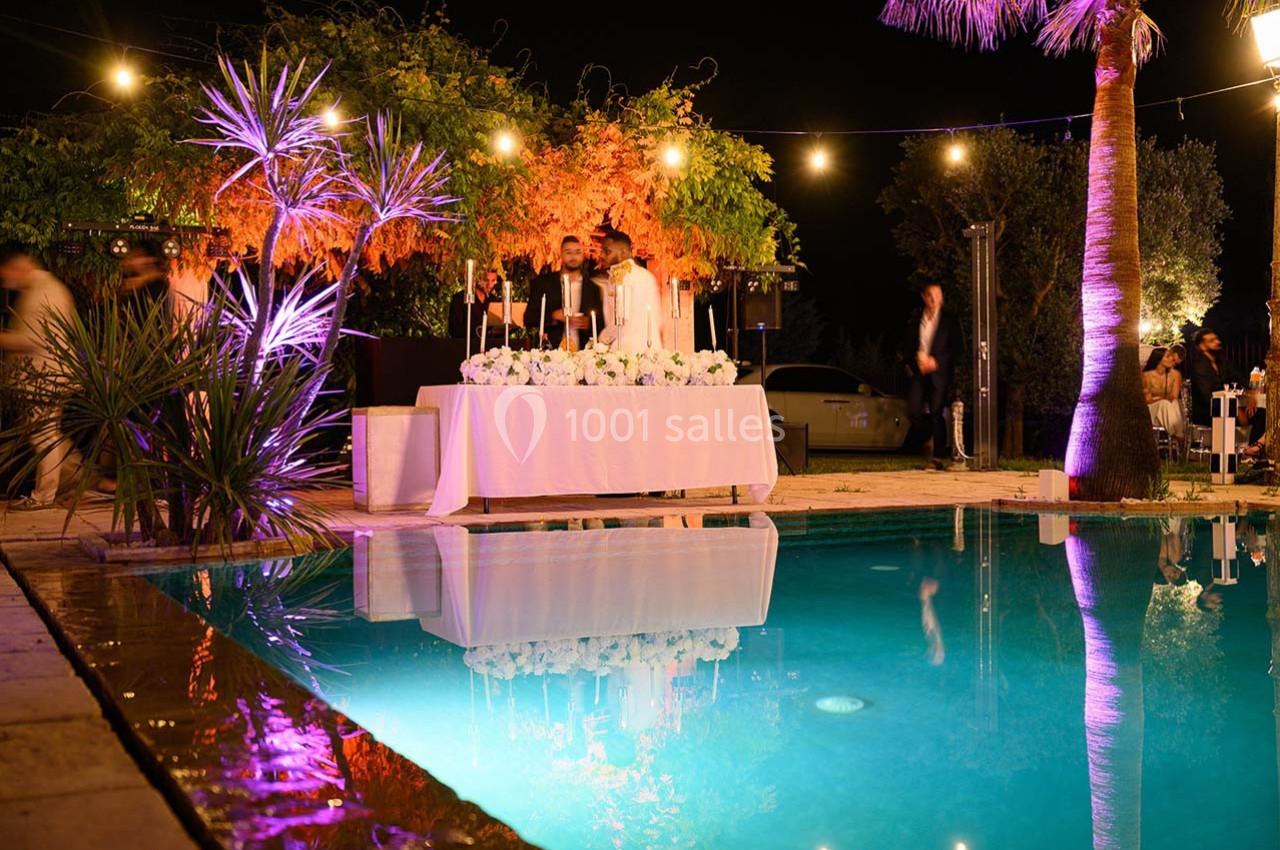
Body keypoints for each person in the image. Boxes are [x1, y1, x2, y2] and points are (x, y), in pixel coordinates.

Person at [0, 253, 77, 510]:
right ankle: (78, 476)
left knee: (43, 435)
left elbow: (32, 339)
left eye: (6, 274)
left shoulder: (40, 293)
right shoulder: (49, 287)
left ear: (18, 268)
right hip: (50, 373)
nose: (4, 280)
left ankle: (44, 496)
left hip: (44, 375)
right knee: (49, 434)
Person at [901, 282, 962, 470]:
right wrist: (915, 360)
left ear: (942, 297)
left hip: (939, 372)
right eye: (930, 295)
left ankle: (937, 457)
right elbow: (907, 346)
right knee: (913, 411)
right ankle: (927, 436)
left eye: (937, 295)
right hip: (919, 372)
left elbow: (958, 349)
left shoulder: (950, 320)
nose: (934, 299)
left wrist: (936, 361)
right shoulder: (916, 318)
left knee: (936, 412)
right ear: (924, 297)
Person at [1188, 328, 1265, 454]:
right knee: (1253, 415)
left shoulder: (1221, 361)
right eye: (1212, 341)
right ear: (1202, 346)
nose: (1217, 342)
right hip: (1207, 411)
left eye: (1216, 339)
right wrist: (1235, 409)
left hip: (1227, 406)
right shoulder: (1199, 366)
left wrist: (1251, 394)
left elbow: (1239, 377)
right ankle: (1249, 452)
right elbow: (1207, 397)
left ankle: (1251, 451)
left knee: (1261, 414)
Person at [523, 236, 606, 350]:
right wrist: (553, 316)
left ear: (583, 255)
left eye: (578, 252)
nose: (573, 257)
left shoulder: (593, 289)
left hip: (583, 353)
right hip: (550, 351)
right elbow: (529, 318)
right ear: (561, 254)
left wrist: (588, 324)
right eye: (569, 252)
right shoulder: (543, 283)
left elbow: (601, 323)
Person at [597, 230, 661, 353]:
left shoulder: (621, 277)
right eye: (602, 251)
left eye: (607, 251)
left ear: (623, 252)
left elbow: (620, 319)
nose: (602, 255)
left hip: (626, 353)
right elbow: (658, 319)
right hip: (651, 351)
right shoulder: (647, 275)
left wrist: (601, 339)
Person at [447, 268, 504, 348]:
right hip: (464, 348)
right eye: (486, 280)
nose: (490, 285)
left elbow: (499, 330)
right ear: (477, 279)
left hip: (489, 350)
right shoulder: (460, 299)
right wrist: (476, 332)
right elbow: (453, 329)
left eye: (493, 280)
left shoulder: (494, 301)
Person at [1142, 344, 1185, 443]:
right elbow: (1148, 400)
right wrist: (1162, 399)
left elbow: (1173, 396)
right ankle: (1180, 438)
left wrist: (1163, 399)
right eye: (1168, 357)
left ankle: (1178, 435)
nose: (1172, 360)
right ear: (1159, 359)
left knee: (1174, 403)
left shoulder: (1175, 375)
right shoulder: (1146, 376)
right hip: (1152, 409)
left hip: (1169, 408)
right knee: (1164, 404)